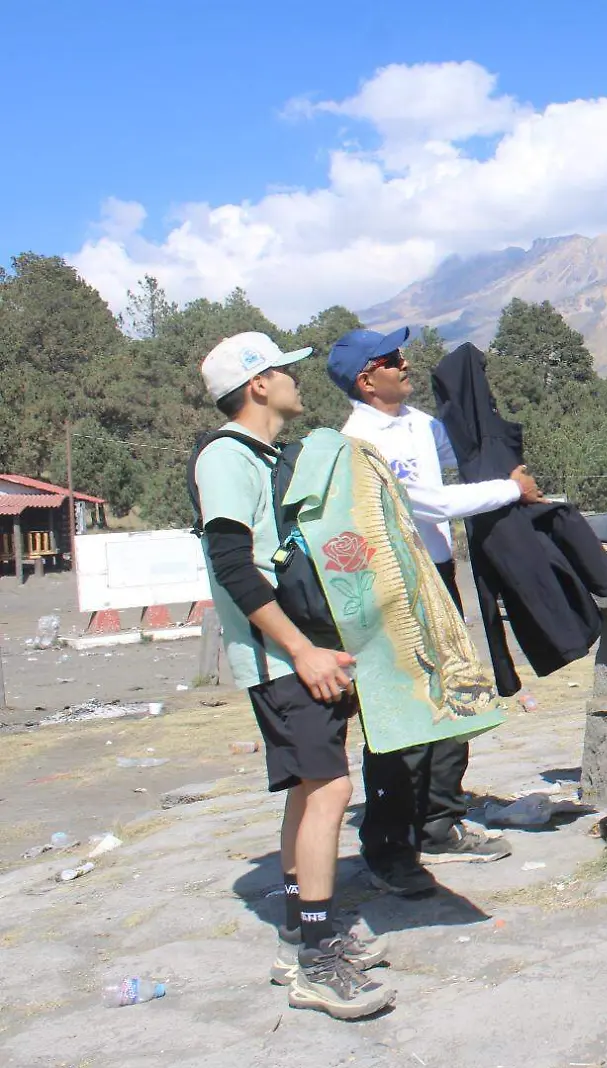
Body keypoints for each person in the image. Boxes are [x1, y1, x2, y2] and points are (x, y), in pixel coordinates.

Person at [190, 332, 393, 1019]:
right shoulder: (224, 456)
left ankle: (299, 930)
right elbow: (233, 562)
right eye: (283, 371)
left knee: (311, 788)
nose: (294, 382)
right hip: (279, 657)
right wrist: (299, 650)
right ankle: (315, 960)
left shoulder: (266, 455)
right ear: (257, 386)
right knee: (332, 787)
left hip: (300, 650)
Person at [327, 327, 544, 898]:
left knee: (455, 695)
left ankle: (439, 821)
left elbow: (462, 459)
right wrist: (507, 490)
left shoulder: (420, 424)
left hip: (438, 572)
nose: (405, 363)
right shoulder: (358, 441)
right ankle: (390, 848)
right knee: (403, 713)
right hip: (396, 583)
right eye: (390, 359)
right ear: (364, 379)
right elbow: (423, 500)